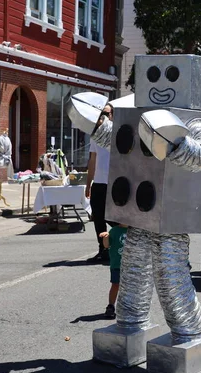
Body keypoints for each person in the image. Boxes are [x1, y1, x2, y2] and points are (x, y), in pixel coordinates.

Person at [86, 104, 113, 264]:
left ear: (112, 115)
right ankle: (103, 249)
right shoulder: (95, 135)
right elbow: (93, 160)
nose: (103, 116)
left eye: (106, 113)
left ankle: (121, 247)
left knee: (116, 218)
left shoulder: (118, 132)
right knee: (98, 217)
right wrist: (89, 183)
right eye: (101, 113)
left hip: (115, 182)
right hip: (99, 182)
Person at [99, 224, 128, 319]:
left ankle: (128, 307)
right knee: (115, 285)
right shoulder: (114, 230)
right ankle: (111, 305)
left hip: (131, 265)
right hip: (117, 264)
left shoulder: (134, 230)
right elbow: (106, 245)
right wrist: (105, 237)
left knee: (130, 287)